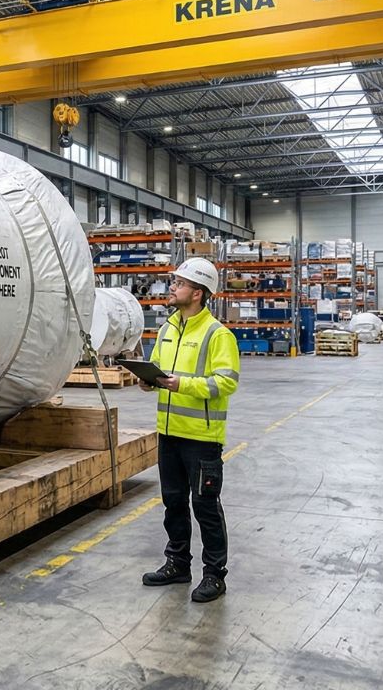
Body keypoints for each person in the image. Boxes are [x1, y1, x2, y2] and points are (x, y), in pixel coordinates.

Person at [138, 257, 239, 603]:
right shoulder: (167, 329)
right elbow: (161, 371)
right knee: (174, 502)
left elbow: (225, 383)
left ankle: (214, 575)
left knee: (205, 506)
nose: (173, 288)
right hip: (168, 432)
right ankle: (178, 563)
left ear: (197, 293)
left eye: (179, 284)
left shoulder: (217, 335)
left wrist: (182, 385)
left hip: (201, 438)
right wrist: (150, 382)